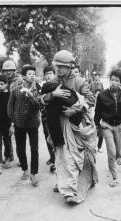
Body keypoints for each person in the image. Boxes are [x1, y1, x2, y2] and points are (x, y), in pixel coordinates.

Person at [40, 50, 97, 205]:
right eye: (57, 66)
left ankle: (73, 187)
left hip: (75, 124)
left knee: (74, 157)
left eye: (62, 66)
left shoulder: (79, 81)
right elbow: (41, 100)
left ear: (70, 66)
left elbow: (91, 100)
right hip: (56, 125)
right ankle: (66, 186)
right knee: (60, 155)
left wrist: (76, 109)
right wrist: (53, 95)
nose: (59, 69)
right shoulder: (52, 81)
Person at [94, 69, 121, 187]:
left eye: (116, 80)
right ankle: (114, 176)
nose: (113, 82)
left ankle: (119, 157)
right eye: (112, 80)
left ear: (120, 82)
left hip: (120, 125)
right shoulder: (102, 95)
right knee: (111, 152)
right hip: (107, 125)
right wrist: (96, 125)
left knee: (118, 151)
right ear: (109, 80)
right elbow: (98, 111)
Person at [7, 64, 42, 187]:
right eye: (29, 74)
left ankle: (33, 173)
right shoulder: (16, 90)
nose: (32, 76)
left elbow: (39, 105)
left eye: (33, 74)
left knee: (34, 149)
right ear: (23, 76)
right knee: (21, 148)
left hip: (33, 123)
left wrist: (31, 96)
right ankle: (25, 170)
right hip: (19, 123)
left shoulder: (37, 88)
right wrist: (13, 121)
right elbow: (10, 107)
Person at [41, 66, 56, 172]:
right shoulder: (43, 86)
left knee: (55, 137)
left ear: (54, 74)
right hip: (45, 115)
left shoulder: (57, 85)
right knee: (47, 137)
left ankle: (56, 159)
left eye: (50, 73)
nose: (48, 75)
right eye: (46, 74)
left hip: (55, 115)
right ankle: (52, 157)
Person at [89, 72, 104, 152]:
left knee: (101, 132)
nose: (96, 77)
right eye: (95, 76)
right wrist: (93, 96)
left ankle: (99, 147)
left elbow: (103, 93)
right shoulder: (91, 84)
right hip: (92, 109)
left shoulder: (101, 84)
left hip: (99, 114)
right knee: (92, 131)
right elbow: (88, 92)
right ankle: (93, 147)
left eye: (98, 76)